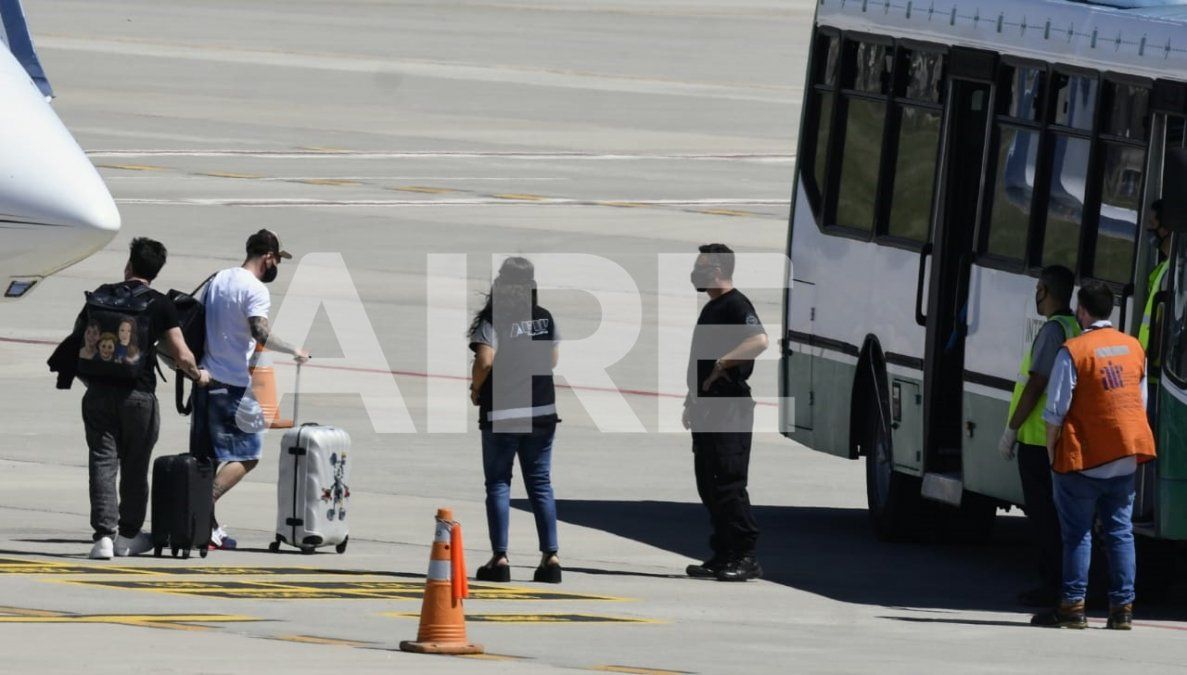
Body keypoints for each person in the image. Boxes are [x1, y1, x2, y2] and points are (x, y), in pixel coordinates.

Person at [1032, 281, 1157, 630]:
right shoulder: (1134, 348)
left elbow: (1055, 412)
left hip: (1083, 458)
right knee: (1120, 533)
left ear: (1082, 311)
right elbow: (1139, 403)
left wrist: (1052, 453)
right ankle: (1123, 610)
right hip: (1125, 455)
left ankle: (1072, 607)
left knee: (1077, 534)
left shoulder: (1073, 350)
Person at [79, 237, 209, 560]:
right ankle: (127, 535)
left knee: (102, 462)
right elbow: (181, 354)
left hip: (98, 393)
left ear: (129, 265)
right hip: (138, 396)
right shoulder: (159, 303)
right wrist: (199, 376)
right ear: (156, 271)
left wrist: (94, 381)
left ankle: (103, 538)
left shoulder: (100, 296)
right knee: (136, 466)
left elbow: (77, 345)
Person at [191, 229, 308, 550]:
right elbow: (260, 332)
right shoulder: (255, 289)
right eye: (276, 261)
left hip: (205, 378)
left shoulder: (219, 279)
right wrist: (294, 349)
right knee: (249, 453)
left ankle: (206, 528)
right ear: (268, 257)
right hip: (232, 385)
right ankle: (201, 509)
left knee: (207, 457)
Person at [469, 257, 562, 584]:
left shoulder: (494, 319)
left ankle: (501, 557)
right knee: (540, 483)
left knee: (498, 483)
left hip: (504, 412)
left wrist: (476, 388)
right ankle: (550, 557)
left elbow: (485, 361)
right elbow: (551, 359)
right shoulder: (545, 317)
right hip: (541, 410)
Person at [683, 243, 768, 582]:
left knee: (728, 482)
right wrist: (692, 399)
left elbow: (759, 341)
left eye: (701, 266)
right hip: (707, 407)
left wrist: (723, 363)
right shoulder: (713, 307)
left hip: (729, 406)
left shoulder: (736, 304)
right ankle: (723, 552)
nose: (695, 272)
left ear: (718, 270)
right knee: (708, 481)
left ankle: (745, 555)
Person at [998, 265, 1080, 607]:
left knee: (1044, 517)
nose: (1035, 295)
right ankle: (1061, 581)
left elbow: (1035, 386)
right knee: (1061, 516)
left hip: (1037, 440)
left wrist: (1011, 430)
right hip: (1060, 437)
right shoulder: (1075, 326)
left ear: (1046, 291)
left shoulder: (1051, 331)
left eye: (1037, 288)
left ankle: (1052, 585)